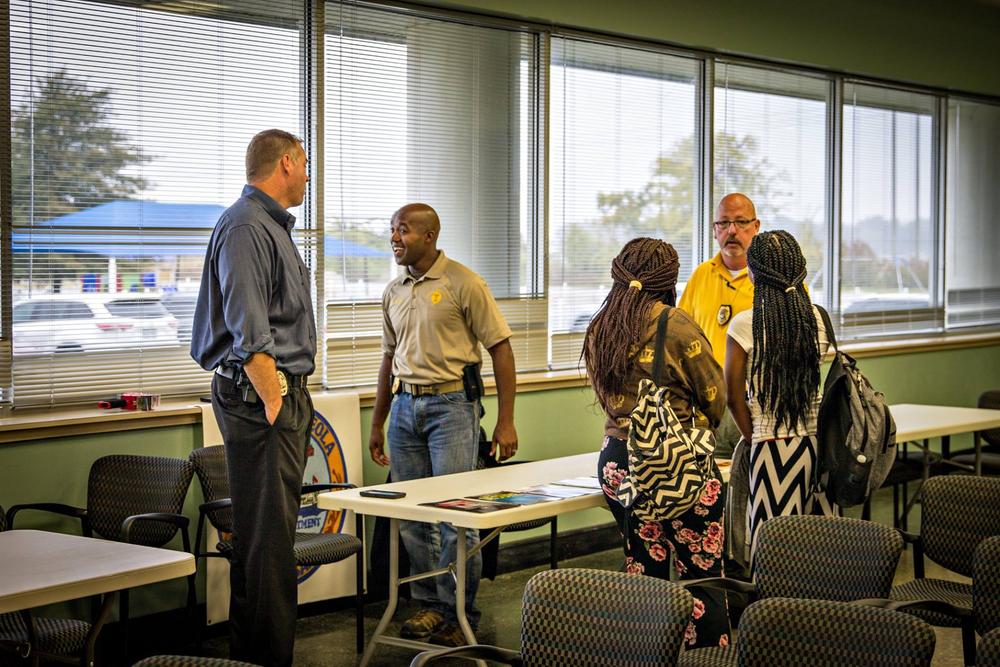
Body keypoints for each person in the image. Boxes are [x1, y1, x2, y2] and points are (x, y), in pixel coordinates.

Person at [368, 203, 518, 648]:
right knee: (414, 518)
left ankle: (459, 611)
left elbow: (501, 349)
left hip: (452, 407)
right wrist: (378, 422)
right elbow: (386, 360)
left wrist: (506, 422)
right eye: (392, 229)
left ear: (430, 235)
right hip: (405, 410)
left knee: (456, 516)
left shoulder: (463, 283)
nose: (395, 237)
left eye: (404, 230)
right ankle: (430, 606)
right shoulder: (394, 290)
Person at [190, 129, 314, 667]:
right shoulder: (246, 226)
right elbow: (250, 329)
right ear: (285, 163)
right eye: (305, 163)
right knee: (267, 551)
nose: (309, 174)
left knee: (267, 543)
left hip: (273, 397)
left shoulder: (268, 225)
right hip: (262, 398)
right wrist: (275, 401)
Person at [583, 237, 731, 649]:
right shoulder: (677, 324)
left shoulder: (602, 324)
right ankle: (705, 659)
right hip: (677, 463)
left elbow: (604, 395)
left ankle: (645, 655)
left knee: (643, 572)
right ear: (669, 278)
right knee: (700, 575)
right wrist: (699, 423)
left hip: (618, 463)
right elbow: (714, 394)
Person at [723, 230, 837, 560]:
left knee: (772, 547)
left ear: (754, 273)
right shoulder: (820, 319)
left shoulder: (746, 324)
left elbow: (733, 397)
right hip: (819, 445)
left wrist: (755, 434)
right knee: (820, 545)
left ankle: (773, 611)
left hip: (771, 445)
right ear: (799, 269)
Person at [677, 192, 761, 458]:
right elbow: (679, 338)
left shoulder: (774, 279)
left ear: (756, 227)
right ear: (714, 230)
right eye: (723, 223)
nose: (732, 231)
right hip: (705, 406)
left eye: (741, 222)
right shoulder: (701, 275)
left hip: (755, 405)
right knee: (712, 490)